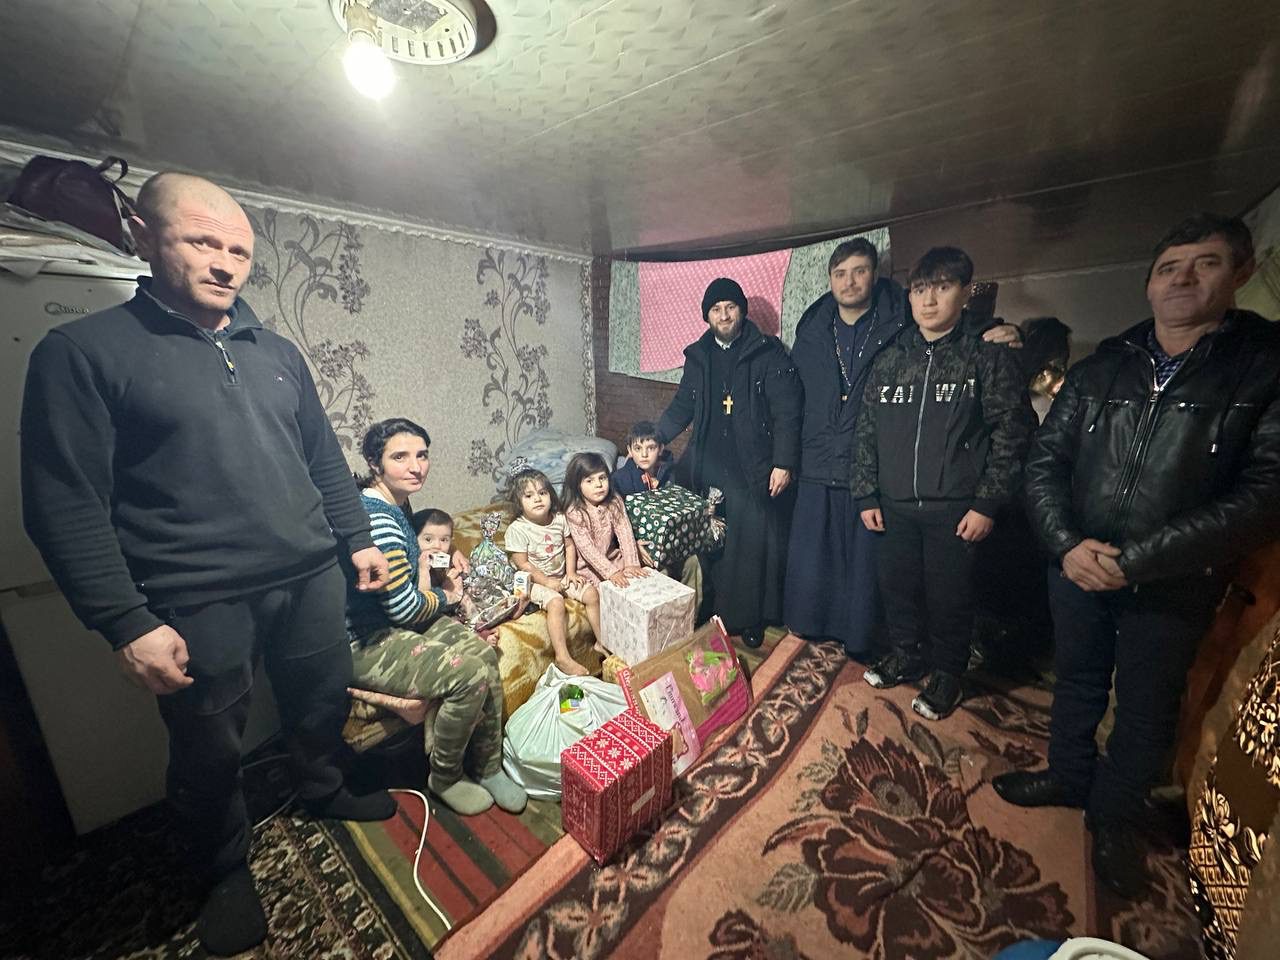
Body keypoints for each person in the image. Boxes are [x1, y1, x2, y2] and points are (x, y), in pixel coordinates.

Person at [19, 172, 393, 956]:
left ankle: (323, 789)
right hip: (195, 597)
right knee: (207, 748)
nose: (224, 264)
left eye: (239, 251)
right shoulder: (83, 353)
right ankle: (221, 868)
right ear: (144, 237)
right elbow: (64, 502)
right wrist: (126, 622)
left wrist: (358, 537)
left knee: (322, 699)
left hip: (308, 575)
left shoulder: (276, 352)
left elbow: (323, 459)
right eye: (201, 242)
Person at [992, 213, 1280, 899]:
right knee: (1077, 680)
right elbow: (1045, 461)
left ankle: (1115, 816)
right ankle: (1068, 774)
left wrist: (1140, 559)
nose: (1183, 279)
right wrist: (1066, 544)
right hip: (1077, 562)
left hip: (1174, 576)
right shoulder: (1103, 366)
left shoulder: (1263, 370)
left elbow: (1265, 493)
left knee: (1147, 705)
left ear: (1240, 273)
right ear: (1149, 284)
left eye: (1205, 263)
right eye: (1168, 267)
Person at [785, 239, 1023, 659]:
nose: (849, 281)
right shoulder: (816, 328)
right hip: (827, 460)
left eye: (859, 271)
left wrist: (1005, 329)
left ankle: (876, 645)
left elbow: (952, 333)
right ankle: (825, 631)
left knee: (883, 574)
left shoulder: (900, 320)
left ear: (875, 274)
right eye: (840, 274)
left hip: (902, 478)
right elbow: (800, 400)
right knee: (824, 562)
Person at [852, 246, 1035, 719]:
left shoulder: (985, 356)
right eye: (919, 290)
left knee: (950, 598)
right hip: (893, 505)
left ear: (964, 292)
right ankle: (906, 655)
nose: (929, 300)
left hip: (955, 509)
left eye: (942, 287)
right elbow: (866, 430)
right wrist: (866, 493)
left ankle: (949, 674)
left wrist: (987, 503)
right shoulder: (891, 359)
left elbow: (1012, 431)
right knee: (897, 588)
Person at [346, 418, 527, 819]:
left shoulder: (396, 501)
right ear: (375, 463)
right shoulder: (377, 519)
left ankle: (489, 766)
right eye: (400, 457)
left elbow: (414, 554)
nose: (416, 467)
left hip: (396, 621)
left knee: (484, 655)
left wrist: (447, 555)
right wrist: (448, 596)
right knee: (469, 674)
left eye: (422, 455)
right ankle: (445, 776)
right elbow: (404, 608)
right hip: (366, 638)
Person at [656, 278, 802, 648]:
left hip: (752, 466)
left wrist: (783, 463)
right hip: (708, 463)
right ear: (707, 316)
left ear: (742, 312)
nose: (724, 315)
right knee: (709, 539)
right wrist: (653, 441)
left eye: (730, 307)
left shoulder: (767, 354)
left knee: (748, 546)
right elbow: (682, 405)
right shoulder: (699, 356)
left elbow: (787, 412)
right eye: (716, 309)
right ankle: (712, 608)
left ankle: (749, 618)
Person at [504, 466, 600, 676]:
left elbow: (569, 546)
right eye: (529, 496)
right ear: (518, 502)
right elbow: (523, 564)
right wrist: (547, 582)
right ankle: (562, 657)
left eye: (542, 492)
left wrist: (571, 573)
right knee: (556, 602)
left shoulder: (559, 519)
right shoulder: (517, 529)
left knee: (591, 594)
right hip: (533, 582)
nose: (537, 499)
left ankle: (602, 641)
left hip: (561, 576)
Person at [561, 451, 649, 595]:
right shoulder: (575, 511)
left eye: (602, 478)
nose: (599, 485)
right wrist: (611, 573)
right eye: (589, 481)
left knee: (641, 580)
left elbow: (625, 533)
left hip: (614, 559)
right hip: (588, 568)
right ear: (577, 485)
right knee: (604, 594)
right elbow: (587, 549)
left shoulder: (614, 501)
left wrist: (631, 563)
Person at [612, 420, 674, 495]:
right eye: (638, 448)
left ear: (660, 449)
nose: (644, 455)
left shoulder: (671, 474)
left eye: (651, 448)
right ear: (630, 450)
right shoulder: (620, 480)